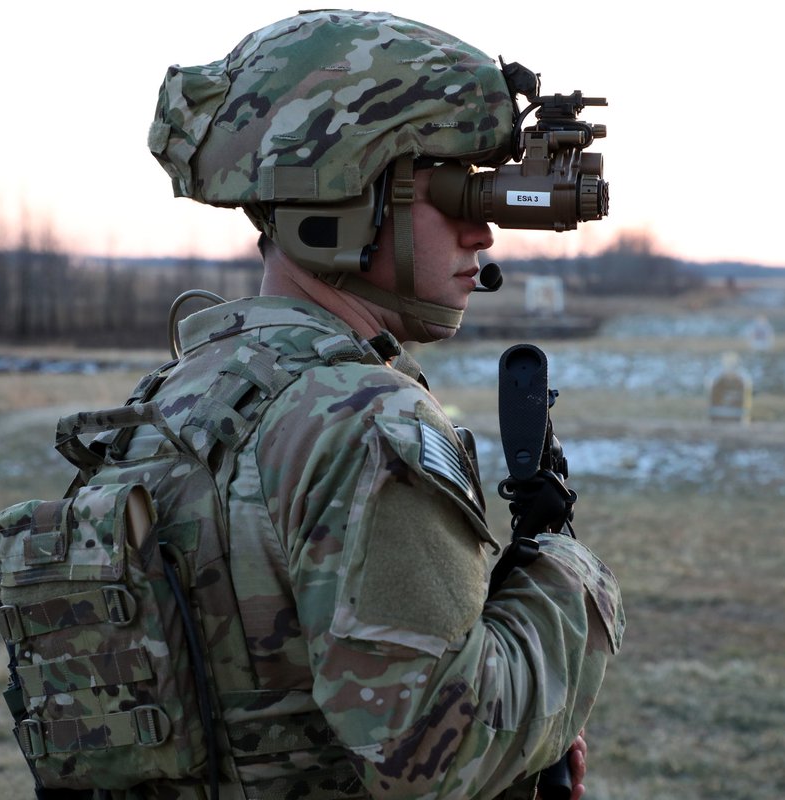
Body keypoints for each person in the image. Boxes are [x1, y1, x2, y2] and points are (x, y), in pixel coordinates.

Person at [132, 10, 624, 799]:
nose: (483, 234)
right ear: (349, 197)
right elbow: (440, 752)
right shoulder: (365, 423)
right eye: (461, 194)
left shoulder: (181, 396)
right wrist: (567, 575)